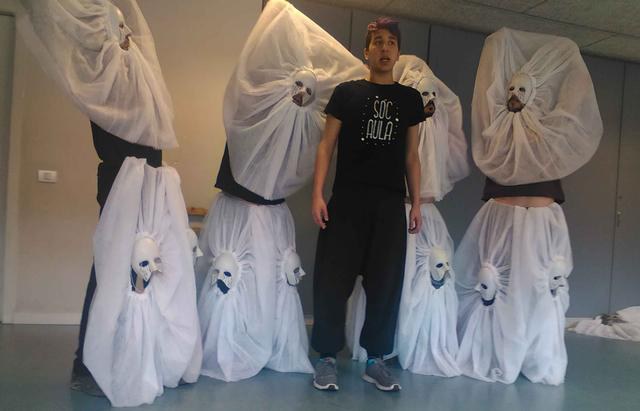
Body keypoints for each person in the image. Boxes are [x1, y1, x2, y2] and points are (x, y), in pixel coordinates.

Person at [310, 17, 424, 392]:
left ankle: (375, 360)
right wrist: (317, 193)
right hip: (346, 202)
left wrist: (416, 203)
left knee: (386, 285)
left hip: (389, 205)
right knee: (332, 281)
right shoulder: (347, 93)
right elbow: (326, 145)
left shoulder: (410, 100)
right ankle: (327, 357)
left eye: (391, 42)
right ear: (366, 51)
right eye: (378, 42)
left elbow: (412, 157)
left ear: (398, 52)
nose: (384, 48)